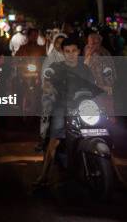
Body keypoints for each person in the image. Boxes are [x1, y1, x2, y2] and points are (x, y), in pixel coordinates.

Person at [34, 38, 95, 187]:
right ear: (63, 52)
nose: (71, 54)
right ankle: (44, 175)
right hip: (63, 106)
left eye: (74, 51)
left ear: (79, 52)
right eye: (67, 51)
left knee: (103, 132)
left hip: (84, 106)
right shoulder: (56, 67)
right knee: (55, 140)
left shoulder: (85, 69)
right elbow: (47, 81)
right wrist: (47, 86)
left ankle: (117, 177)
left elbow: (93, 86)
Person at [38, 33, 66, 150]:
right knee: (47, 114)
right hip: (52, 93)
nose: (59, 45)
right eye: (57, 43)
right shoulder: (50, 59)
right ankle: (44, 139)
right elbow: (45, 78)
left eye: (62, 43)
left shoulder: (70, 56)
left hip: (67, 94)